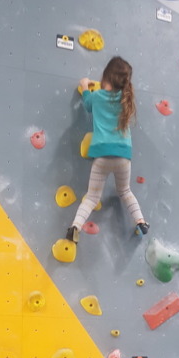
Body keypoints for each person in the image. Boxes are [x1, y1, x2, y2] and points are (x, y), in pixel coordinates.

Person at [65, 56, 149, 245]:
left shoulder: (96, 97)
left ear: (106, 76)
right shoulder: (126, 99)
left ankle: (75, 227)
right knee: (126, 191)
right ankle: (141, 221)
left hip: (102, 156)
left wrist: (85, 85)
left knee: (93, 197)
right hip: (123, 156)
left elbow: (87, 104)